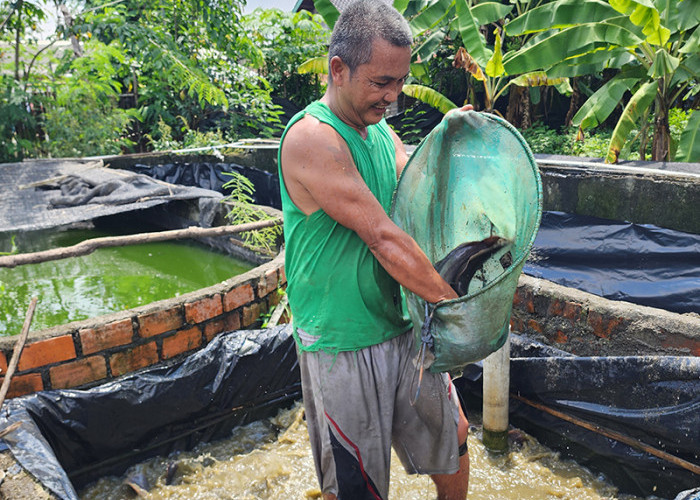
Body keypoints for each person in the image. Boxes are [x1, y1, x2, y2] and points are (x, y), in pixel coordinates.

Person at [278, 1, 471, 498]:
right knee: (359, 483)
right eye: (381, 82)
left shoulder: (381, 131)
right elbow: (385, 238)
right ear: (337, 69)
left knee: (455, 434)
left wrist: (445, 137)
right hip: (343, 340)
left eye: (401, 82)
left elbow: (412, 179)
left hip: (402, 323)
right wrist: (457, 307)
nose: (394, 95)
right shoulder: (312, 139)